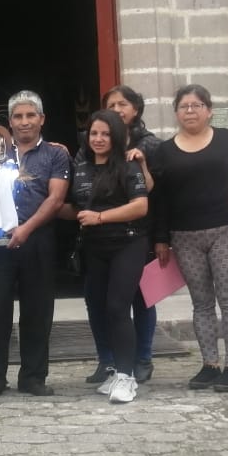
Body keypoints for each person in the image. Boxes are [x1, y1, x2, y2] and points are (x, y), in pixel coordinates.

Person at [151, 84, 228, 392]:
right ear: (176, 112)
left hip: (227, 230)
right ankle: (209, 364)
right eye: (184, 106)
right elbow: (159, 198)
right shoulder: (164, 151)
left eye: (196, 105)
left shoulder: (227, 140)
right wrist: (161, 238)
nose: (190, 111)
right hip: (184, 237)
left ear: (209, 110)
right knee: (201, 302)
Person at [0, 91, 70, 400]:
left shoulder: (56, 155)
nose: (24, 121)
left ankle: (33, 377)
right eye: (18, 116)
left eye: (31, 115)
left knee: (37, 311)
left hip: (37, 239)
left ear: (42, 119)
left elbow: (56, 199)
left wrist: (27, 229)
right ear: (10, 121)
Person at [61, 110, 150, 403]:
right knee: (99, 307)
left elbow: (140, 206)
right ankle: (115, 371)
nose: (98, 139)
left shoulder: (128, 164)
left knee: (117, 307)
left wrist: (100, 217)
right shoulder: (81, 167)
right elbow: (76, 208)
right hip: (94, 247)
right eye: (94, 133)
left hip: (128, 243)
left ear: (117, 136)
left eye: (106, 134)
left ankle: (126, 376)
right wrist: (39, 205)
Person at [84, 85, 161, 385]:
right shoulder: (89, 147)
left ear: (135, 109)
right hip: (99, 239)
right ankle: (108, 361)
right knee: (99, 301)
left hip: (139, 232)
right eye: (111, 104)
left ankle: (141, 358)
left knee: (140, 298)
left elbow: (155, 193)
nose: (117, 109)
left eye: (122, 104)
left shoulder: (149, 145)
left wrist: (162, 238)